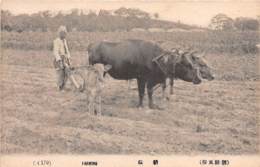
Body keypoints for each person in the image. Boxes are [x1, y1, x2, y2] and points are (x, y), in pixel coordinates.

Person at [53, 25, 81, 91]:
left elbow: (67, 50)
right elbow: (56, 52)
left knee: (67, 73)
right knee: (61, 74)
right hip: (59, 60)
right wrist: (59, 61)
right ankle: (74, 86)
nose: (65, 35)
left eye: (65, 33)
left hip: (65, 59)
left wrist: (68, 59)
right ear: (60, 33)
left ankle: (64, 86)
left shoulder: (64, 41)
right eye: (64, 33)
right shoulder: (56, 41)